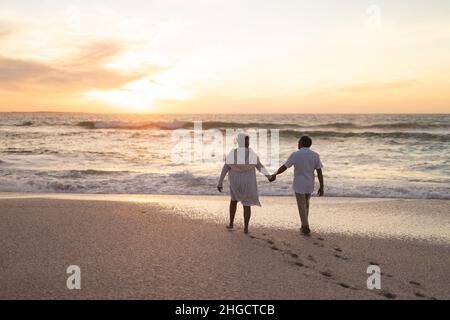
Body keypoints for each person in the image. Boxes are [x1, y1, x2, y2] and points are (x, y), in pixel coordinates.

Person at [217, 133, 272, 233]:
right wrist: (269, 176)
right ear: (247, 142)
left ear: (238, 142)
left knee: (233, 201)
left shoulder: (233, 153)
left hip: (235, 182)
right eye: (248, 141)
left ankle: (231, 223)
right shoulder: (252, 154)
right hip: (248, 181)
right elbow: (260, 167)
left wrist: (220, 182)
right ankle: (246, 228)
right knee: (247, 204)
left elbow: (225, 168)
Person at [270, 136, 324, 235]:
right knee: (306, 204)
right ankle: (304, 225)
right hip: (309, 184)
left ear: (302, 143)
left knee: (301, 205)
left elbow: (284, 167)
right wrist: (321, 186)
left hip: (299, 184)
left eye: (299, 142)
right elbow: (319, 172)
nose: (298, 144)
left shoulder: (295, 155)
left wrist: (275, 174)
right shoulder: (315, 155)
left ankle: (305, 226)